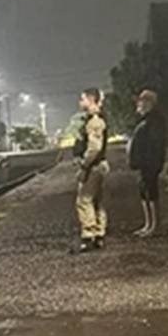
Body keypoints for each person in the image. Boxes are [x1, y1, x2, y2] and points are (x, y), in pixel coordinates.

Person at [72, 87, 109, 254]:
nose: (80, 102)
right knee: (97, 201)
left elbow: (94, 148)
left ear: (91, 100)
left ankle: (88, 236)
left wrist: (84, 166)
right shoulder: (96, 118)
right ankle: (99, 234)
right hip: (99, 165)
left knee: (84, 200)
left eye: (83, 99)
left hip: (93, 166)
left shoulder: (94, 120)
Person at [128, 89, 168, 237]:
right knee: (144, 192)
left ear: (149, 103)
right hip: (143, 163)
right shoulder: (146, 120)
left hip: (150, 163)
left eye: (142, 101)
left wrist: (151, 161)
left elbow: (155, 144)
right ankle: (148, 224)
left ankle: (155, 226)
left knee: (151, 192)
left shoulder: (155, 120)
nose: (139, 104)